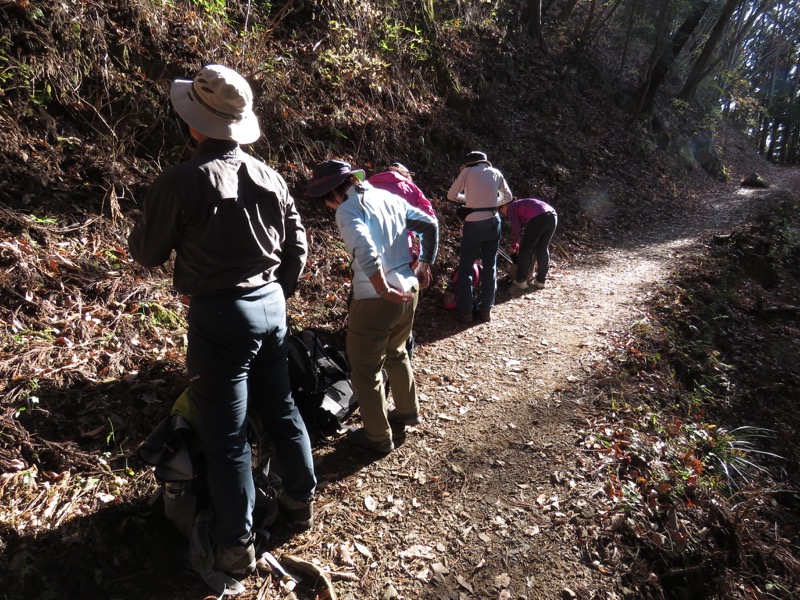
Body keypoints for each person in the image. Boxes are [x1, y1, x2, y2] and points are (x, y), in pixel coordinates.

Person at [128, 65, 316, 578]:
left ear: (196, 123)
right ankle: (301, 501)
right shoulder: (271, 177)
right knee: (280, 407)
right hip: (271, 306)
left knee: (226, 435)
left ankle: (236, 547)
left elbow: (146, 251)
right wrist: (279, 290)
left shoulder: (182, 181)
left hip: (219, 317)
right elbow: (299, 245)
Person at [305, 160, 438, 454]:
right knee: (397, 351)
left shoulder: (347, 209)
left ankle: (378, 437)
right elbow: (429, 224)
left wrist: (381, 287)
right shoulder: (388, 197)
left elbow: (364, 249)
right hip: (409, 288)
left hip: (376, 298)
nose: (327, 206)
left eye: (325, 200)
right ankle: (407, 411)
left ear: (332, 194)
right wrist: (424, 262)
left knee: (365, 370)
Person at [447, 150, 512, 323]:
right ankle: (486, 308)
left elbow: (451, 195)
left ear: (469, 163)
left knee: (466, 266)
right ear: (485, 162)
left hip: (473, 223)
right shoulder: (496, 173)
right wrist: (490, 203)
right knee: (490, 266)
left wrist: (469, 200)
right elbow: (508, 196)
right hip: (493, 222)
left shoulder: (467, 172)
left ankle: (466, 310)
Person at [499, 197, 558, 289]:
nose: (503, 213)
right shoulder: (520, 204)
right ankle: (540, 281)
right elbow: (522, 228)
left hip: (539, 217)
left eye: (501, 209)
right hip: (553, 216)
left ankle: (521, 281)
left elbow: (517, 229)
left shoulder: (511, 208)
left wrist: (514, 245)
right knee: (542, 248)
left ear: (505, 205)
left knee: (525, 249)